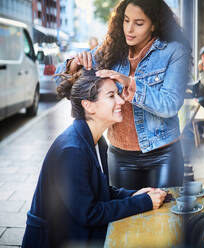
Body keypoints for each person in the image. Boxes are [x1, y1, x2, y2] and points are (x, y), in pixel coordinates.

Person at [22, 69, 166, 248]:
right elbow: (89, 213)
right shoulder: (72, 151)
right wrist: (142, 203)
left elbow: (99, 191)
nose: (121, 100)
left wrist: (134, 194)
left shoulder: (98, 140)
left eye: (118, 94)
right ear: (88, 105)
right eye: (111, 96)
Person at [56, 0, 191, 190]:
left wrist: (130, 83)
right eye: (126, 20)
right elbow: (59, 80)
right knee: (126, 216)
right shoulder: (111, 49)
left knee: (162, 216)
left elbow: (170, 104)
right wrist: (73, 65)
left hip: (163, 154)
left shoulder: (174, 51)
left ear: (154, 24)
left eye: (139, 23)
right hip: (120, 155)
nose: (129, 29)